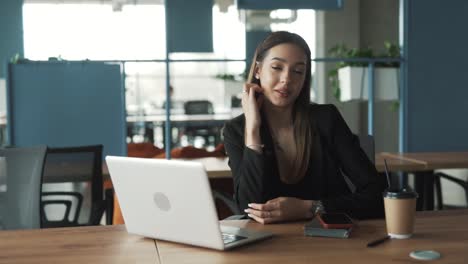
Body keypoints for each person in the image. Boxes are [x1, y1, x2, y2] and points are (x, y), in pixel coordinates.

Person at [222, 31, 385, 224]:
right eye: (276, 67)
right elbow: (248, 207)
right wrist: (253, 130)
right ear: (258, 70)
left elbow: (377, 195)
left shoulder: (326, 119)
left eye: (298, 71)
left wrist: (311, 208)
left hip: (331, 240)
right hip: (268, 245)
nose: (286, 79)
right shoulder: (236, 130)